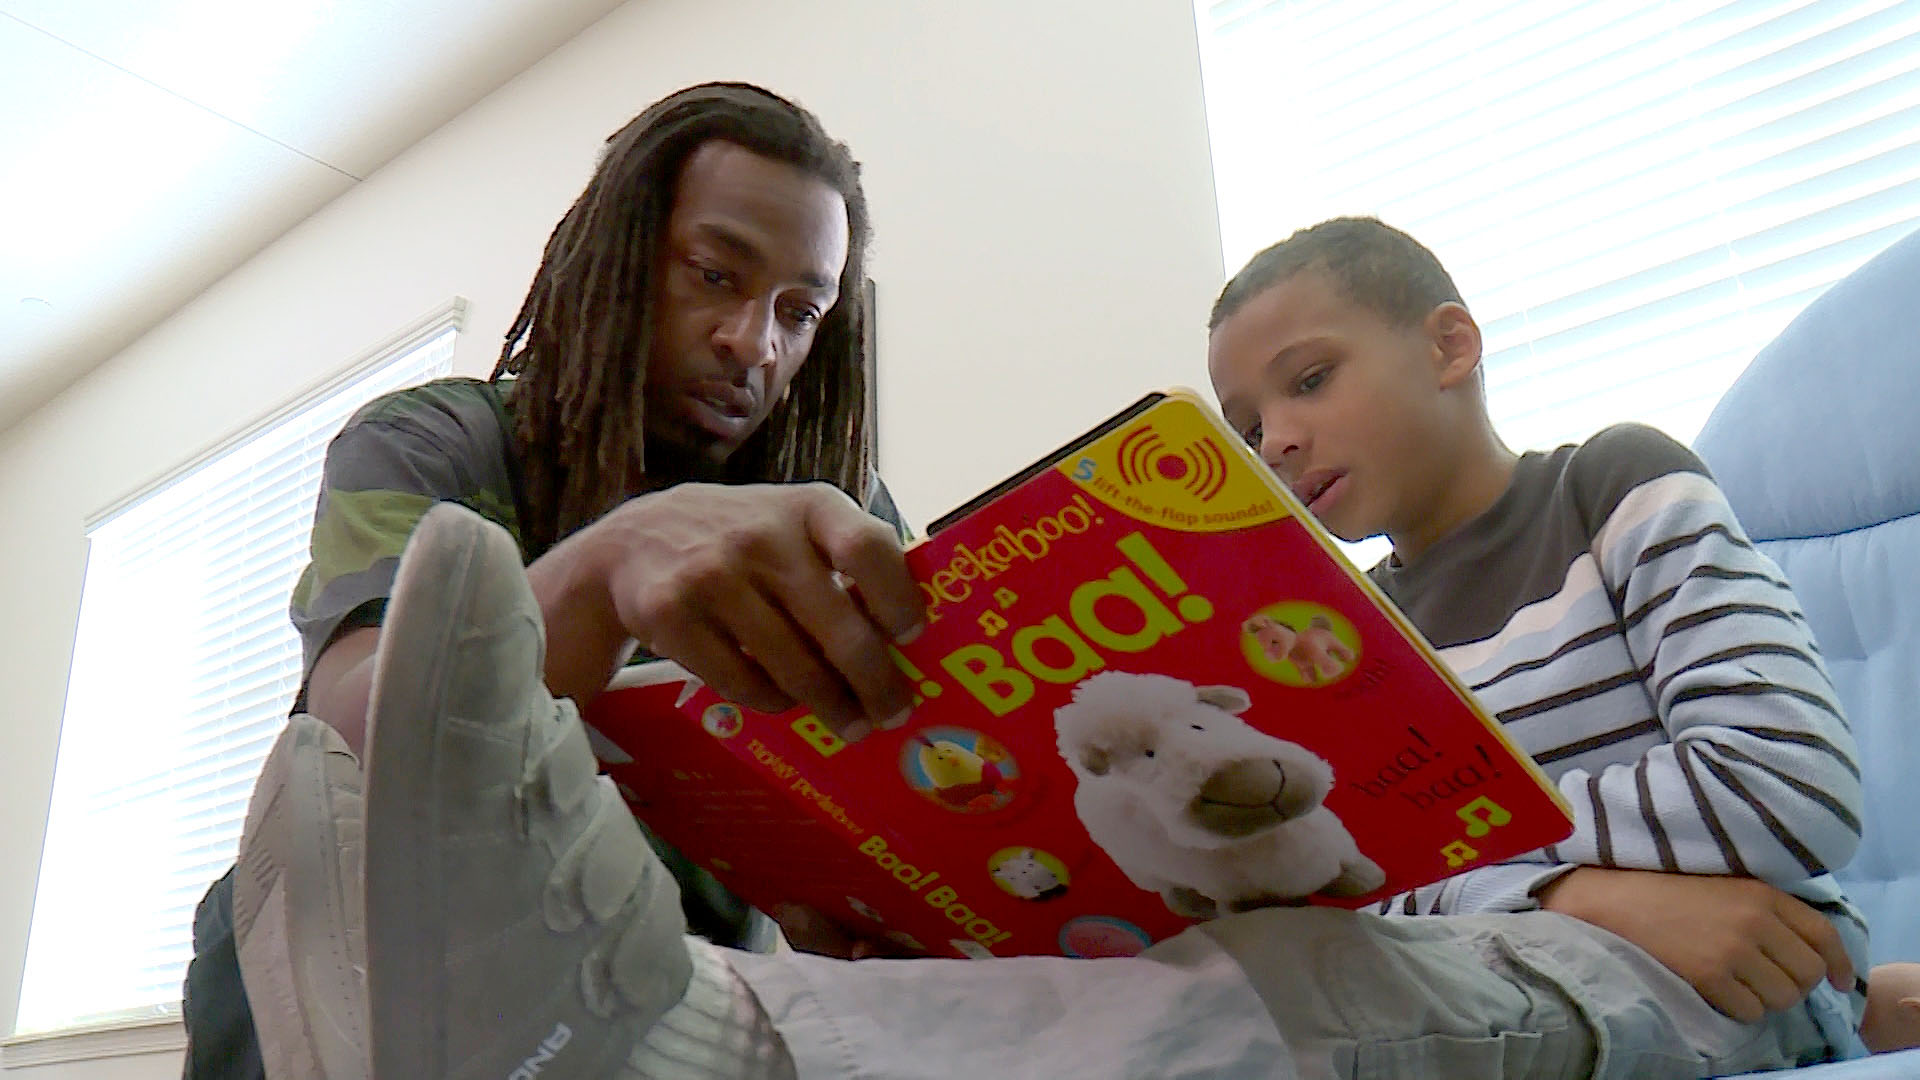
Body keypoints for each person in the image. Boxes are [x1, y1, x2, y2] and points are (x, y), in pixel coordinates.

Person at [233, 217, 1886, 1080]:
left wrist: (1545, 889)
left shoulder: (1615, 481)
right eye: (1246, 417)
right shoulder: (1352, 631)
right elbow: (1392, 866)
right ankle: (690, 1025)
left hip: (1723, 972)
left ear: (1449, 344)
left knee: (1332, 976)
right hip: (1554, 938)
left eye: (1309, 378)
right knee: (1229, 968)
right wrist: (1551, 882)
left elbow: (1790, 782)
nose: (1281, 439)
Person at [180, 82, 926, 1080]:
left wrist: (858, 898)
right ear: (616, 259)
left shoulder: (834, 516)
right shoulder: (434, 442)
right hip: (355, 969)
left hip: (650, 1003)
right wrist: (607, 568)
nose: (753, 343)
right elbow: (365, 735)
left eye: (801, 312)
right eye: (713, 274)